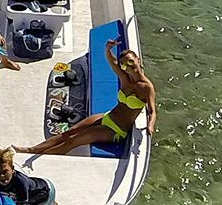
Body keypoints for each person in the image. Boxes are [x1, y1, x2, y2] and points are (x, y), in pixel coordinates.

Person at [18, 37, 155, 156]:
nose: (128, 66)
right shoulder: (125, 79)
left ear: (138, 60)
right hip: (107, 117)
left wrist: (150, 125)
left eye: (131, 62)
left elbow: (152, 111)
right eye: (124, 65)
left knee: (73, 141)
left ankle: (41, 158)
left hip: (116, 130)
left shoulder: (146, 87)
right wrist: (108, 49)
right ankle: (32, 149)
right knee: (69, 132)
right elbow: (113, 63)